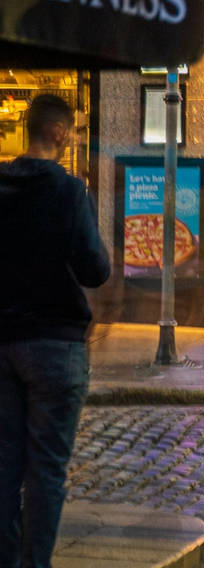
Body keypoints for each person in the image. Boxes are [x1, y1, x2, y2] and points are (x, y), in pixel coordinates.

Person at [0, 95, 110, 568]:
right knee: (45, 469)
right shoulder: (68, 192)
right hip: (55, 344)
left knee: (4, 466)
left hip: (2, 340)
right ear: (60, 133)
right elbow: (95, 270)